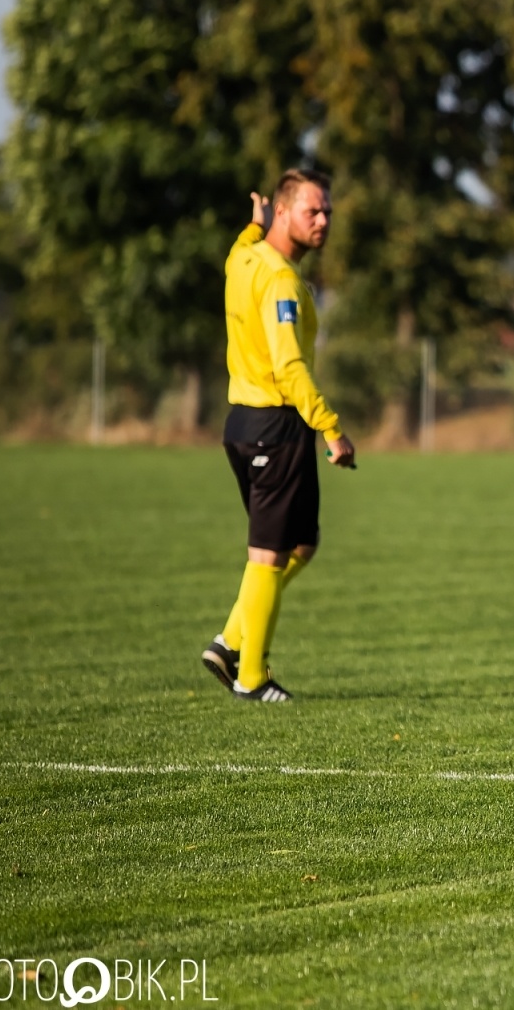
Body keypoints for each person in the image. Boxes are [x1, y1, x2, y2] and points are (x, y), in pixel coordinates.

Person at [200, 169, 356, 702]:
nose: (324, 221)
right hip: (276, 426)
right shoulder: (283, 281)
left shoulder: (245, 257)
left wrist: (253, 226)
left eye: (328, 211)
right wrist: (331, 430)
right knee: (268, 554)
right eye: (313, 210)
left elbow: (238, 249)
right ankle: (251, 676)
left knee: (300, 544)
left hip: (245, 425)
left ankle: (230, 641)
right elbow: (291, 367)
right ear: (285, 211)